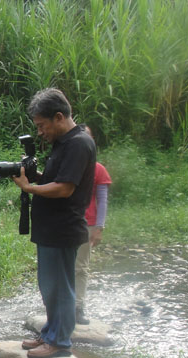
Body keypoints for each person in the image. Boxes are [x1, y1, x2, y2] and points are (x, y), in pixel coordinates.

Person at [11, 88, 96, 358]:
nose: (40, 132)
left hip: (63, 229)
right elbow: (54, 178)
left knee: (60, 287)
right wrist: (32, 174)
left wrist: (29, 188)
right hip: (50, 230)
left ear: (58, 117)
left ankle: (60, 342)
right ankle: (50, 333)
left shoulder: (78, 143)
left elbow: (64, 189)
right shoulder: (63, 143)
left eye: (42, 125)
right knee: (49, 286)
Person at [74, 124, 112, 325]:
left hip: (87, 224)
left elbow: (102, 200)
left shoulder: (99, 169)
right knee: (63, 267)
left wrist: (99, 227)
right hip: (66, 222)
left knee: (80, 267)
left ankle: (78, 308)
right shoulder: (69, 165)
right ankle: (62, 306)